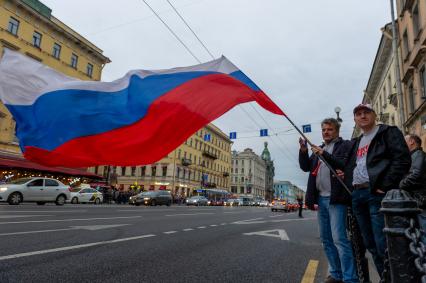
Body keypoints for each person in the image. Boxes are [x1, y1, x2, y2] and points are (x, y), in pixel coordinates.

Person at [313, 104, 411, 278]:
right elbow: (346, 166)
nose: (362, 116)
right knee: (370, 244)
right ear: (355, 119)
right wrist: (324, 154)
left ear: (374, 115)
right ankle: (384, 277)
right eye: (358, 114)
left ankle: (391, 278)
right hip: (357, 195)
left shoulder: (387, 132)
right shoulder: (357, 142)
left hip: (375, 193)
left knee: (382, 243)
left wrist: (384, 186)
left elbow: (402, 159)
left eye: (366, 112)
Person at [299, 118, 358, 283]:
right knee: (326, 239)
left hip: (336, 198)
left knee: (340, 239)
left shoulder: (343, 146)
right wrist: (303, 151)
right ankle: (336, 273)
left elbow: (343, 164)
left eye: (329, 129)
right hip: (321, 199)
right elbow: (306, 167)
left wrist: (323, 154)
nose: (326, 132)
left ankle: (350, 278)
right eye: (324, 130)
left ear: (337, 131)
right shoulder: (321, 148)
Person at [400, 134, 426, 235]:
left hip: (420, 201)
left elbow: (415, 175)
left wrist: (400, 184)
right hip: (417, 200)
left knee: (423, 232)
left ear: (411, 142)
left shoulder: (418, 154)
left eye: (404, 141)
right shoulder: (413, 156)